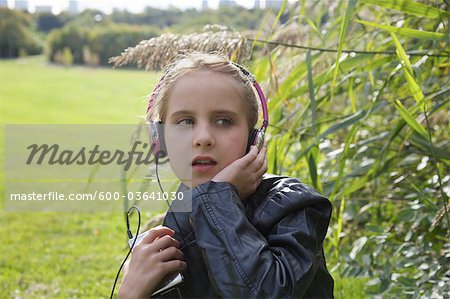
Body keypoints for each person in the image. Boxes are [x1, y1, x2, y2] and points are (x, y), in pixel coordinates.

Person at [118, 52, 334, 298]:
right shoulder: (181, 214)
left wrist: (216, 199)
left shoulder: (294, 206)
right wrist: (132, 292)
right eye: (185, 122)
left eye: (223, 121)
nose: (203, 138)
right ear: (159, 139)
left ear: (254, 139)